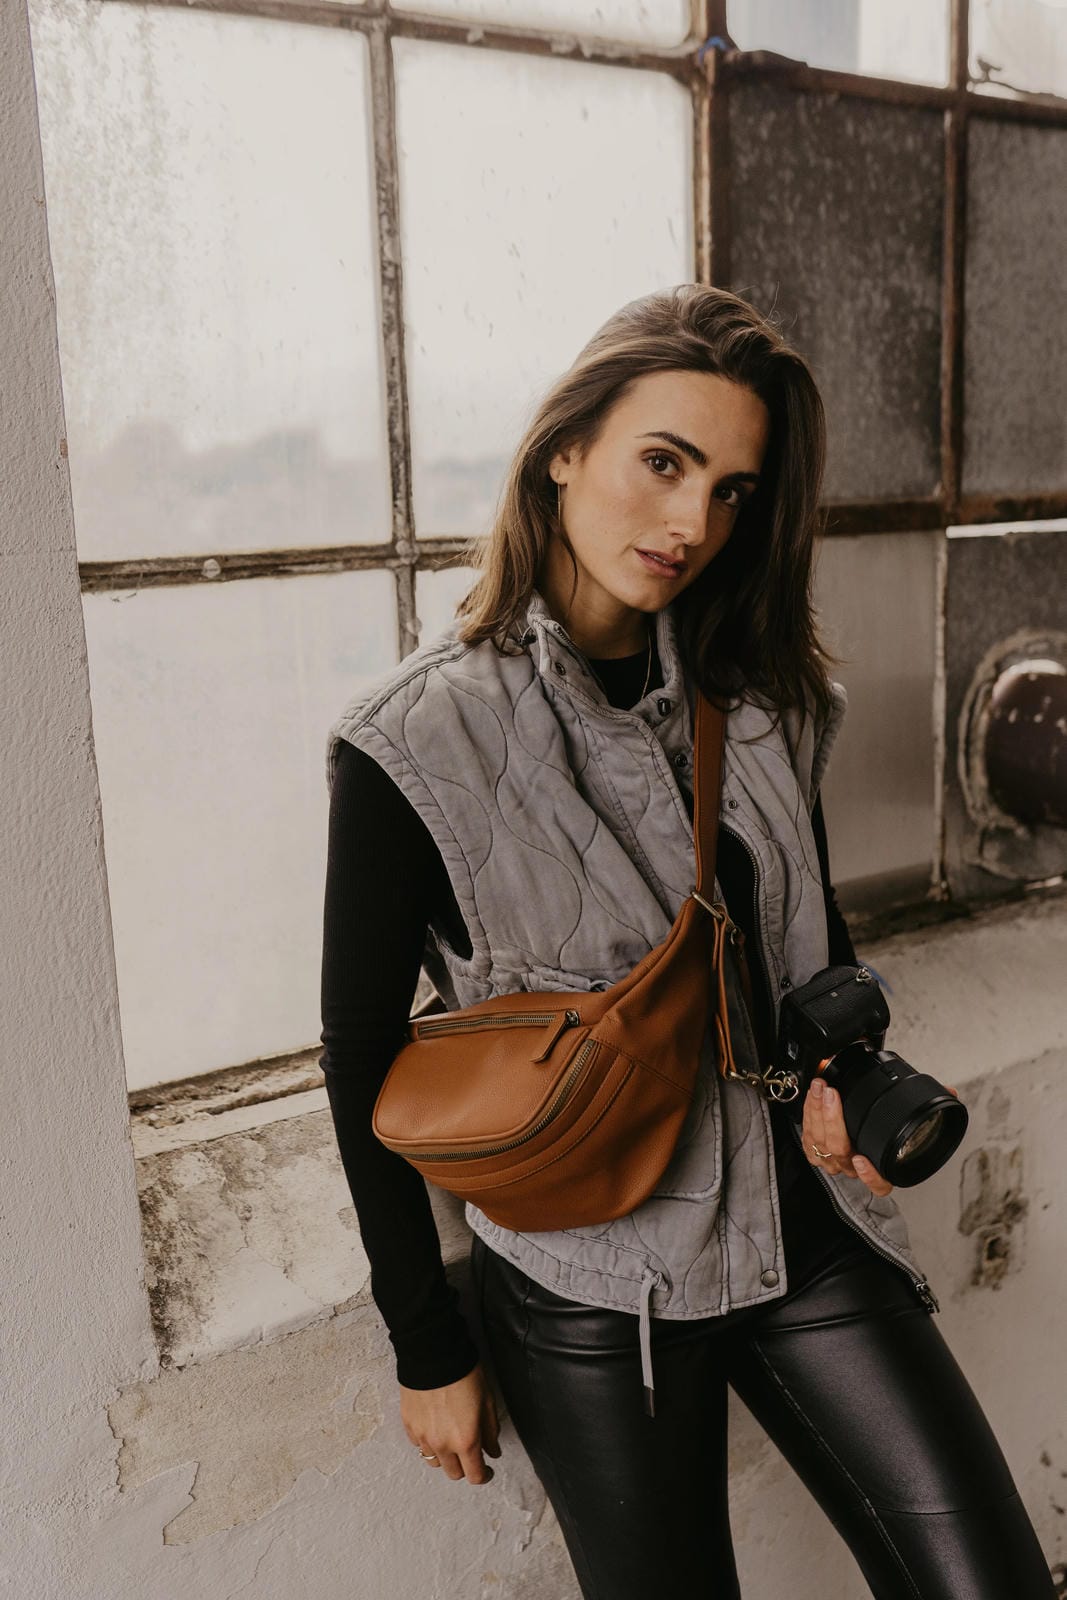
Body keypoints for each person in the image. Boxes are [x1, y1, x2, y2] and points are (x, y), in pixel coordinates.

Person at [319, 284, 1054, 1598]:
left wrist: (834, 1080)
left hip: (794, 1228)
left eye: (731, 490)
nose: (690, 522)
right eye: (664, 463)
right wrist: (424, 1342)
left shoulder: (769, 700)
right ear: (566, 449)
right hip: (593, 1284)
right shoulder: (413, 742)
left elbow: (807, 955)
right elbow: (359, 1049)